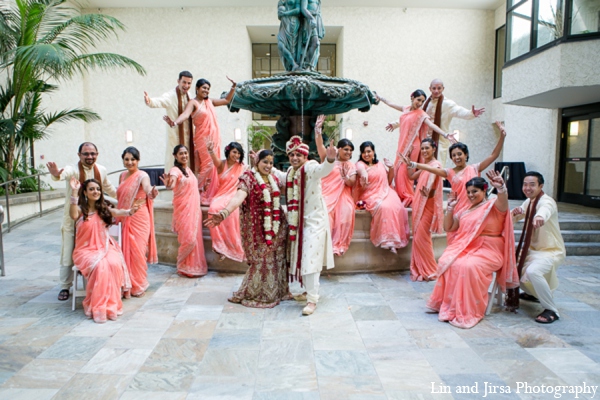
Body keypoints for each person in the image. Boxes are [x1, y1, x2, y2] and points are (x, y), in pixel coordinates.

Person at [427, 172, 519, 329]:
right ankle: (451, 305)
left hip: (490, 250)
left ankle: (468, 309)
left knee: (468, 267)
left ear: (484, 191)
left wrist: (501, 188)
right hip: (468, 247)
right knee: (448, 261)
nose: (470, 195)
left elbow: (503, 203)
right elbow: (449, 227)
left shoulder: (493, 205)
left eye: (474, 191)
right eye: (468, 192)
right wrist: (450, 209)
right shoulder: (465, 210)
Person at [205, 150, 291, 308]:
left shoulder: (274, 178)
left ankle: (278, 291)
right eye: (265, 161)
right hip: (258, 228)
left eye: (271, 163)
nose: (268, 165)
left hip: (278, 226)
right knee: (261, 260)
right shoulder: (248, 178)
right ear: (257, 162)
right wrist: (224, 212)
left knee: (276, 259)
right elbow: (239, 197)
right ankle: (257, 292)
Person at [403, 121, 507, 243]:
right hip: (457, 211)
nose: (457, 157)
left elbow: (494, 155)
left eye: (459, 154)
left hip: (474, 209)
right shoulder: (449, 172)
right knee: (454, 240)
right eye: (453, 155)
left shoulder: (475, 168)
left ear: (466, 155)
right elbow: (430, 168)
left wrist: (502, 137)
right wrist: (414, 164)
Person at [270, 136, 338, 315]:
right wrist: (267, 166)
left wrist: (330, 159)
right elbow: (282, 177)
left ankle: (312, 301)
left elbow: (323, 170)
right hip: (301, 222)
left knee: (310, 258)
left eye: (298, 155)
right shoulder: (293, 172)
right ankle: (309, 292)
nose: (294, 158)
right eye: (291, 155)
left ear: (305, 156)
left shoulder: (310, 167)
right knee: (304, 257)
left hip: (315, 222)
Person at [46, 142, 117, 302]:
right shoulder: (73, 170)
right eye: (86, 154)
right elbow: (63, 173)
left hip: (93, 219)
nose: (90, 157)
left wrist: (124, 197)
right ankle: (65, 285)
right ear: (79, 155)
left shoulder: (102, 170)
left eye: (93, 153)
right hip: (73, 218)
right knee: (68, 250)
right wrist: (57, 174)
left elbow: (108, 187)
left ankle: (97, 283)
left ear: (97, 154)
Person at [69, 178, 138, 323]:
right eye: (92, 189)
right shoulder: (81, 210)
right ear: (86, 193)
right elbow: (73, 215)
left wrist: (130, 211)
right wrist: (74, 192)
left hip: (105, 247)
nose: (96, 192)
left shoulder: (104, 210)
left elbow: (118, 211)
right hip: (85, 251)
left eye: (98, 189)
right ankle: (98, 307)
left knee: (113, 264)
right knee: (101, 266)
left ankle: (110, 305)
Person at [165, 76, 237, 206]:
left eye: (208, 89)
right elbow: (185, 115)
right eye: (204, 88)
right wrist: (175, 122)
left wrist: (233, 88)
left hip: (214, 139)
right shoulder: (193, 103)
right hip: (202, 139)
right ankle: (197, 192)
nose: (206, 91)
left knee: (213, 165)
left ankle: (209, 193)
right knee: (207, 166)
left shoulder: (210, 101)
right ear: (197, 88)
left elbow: (226, 100)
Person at [386, 79, 485, 168]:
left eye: (439, 88)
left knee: (437, 167)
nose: (436, 91)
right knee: (420, 168)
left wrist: (471, 113)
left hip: (440, 140)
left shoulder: (447, 104)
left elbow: (459, 111)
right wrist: (395, 124)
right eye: (434, 88)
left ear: (443, 89)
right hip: (423, 140)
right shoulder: (424, 102)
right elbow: (413, 117)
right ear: (430, 89)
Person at [378, 89, 453, 206]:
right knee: (398, 171)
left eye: (422, 101)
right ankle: (400, 195)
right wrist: (380, 98)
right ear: (412, 97)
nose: (419, 103)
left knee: (405, 171)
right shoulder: (406, 109)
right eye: (418, 100)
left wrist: (446, 134)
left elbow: (432, 125)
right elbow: (391, 103)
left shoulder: (421, 114)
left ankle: (408, 196)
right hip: (402, 145)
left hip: (413, 145)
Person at [511, 171, 565, 324]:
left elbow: (545, 210)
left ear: (541, 186)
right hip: (532, 250)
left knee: (533, 271)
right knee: (511, 266)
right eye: (525, 184)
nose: (527, 188)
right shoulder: (529, 202)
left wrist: (540, 217)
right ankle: (533, 294)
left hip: (551, 251)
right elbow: (516, 215)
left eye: (532, 185)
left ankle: (551, 310)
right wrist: (515, 213)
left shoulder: (546, 201)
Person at [117, 147, 159, 297]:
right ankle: (126, 283)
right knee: (125, 250)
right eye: (126, 159)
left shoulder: (142, 175)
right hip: (125, 215)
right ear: (123, 159)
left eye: (132, 159)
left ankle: (138, 283)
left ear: (138, 160)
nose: (129, 162)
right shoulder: (122, 176)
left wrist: (151, 193)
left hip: (139, 216)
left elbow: (147, 188)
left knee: (138, 251)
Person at [160, 145, 208, 278]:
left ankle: (194, 267)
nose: (184, 156)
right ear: (175, 156)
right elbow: (173, 183)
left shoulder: (188, 170)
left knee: (195, 238)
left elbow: (191, 188)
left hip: (193, 209)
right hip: (183, 209)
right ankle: (182, 264)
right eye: (181, 154)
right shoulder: (175, 170)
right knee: (189, 239)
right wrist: (169, 185)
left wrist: (204, 188)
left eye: (186, 153)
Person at [355, 141, 410, 254]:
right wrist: (364, 174)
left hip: (386, 191)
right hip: (370, 194)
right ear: (361, 154)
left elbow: (388, 181)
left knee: (397, 207)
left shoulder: (379, 164)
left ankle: (395, 241)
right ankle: (387, 241)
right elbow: (361, 170)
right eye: (364, 152)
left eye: (369, 151)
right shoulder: (360, 164)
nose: (366, 154)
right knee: (384, 207)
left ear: (374, 152)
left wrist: (391, 169)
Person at [314, 115, 357, 256]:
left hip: (343, 195)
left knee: (346, 212)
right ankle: (323, 247)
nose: (349, 153)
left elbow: (352, 182)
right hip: (326, 193)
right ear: (338, 149)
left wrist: (345, 177)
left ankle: (338, 246)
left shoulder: (350, 166)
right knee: (325, 216)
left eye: (351, 150)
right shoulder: (328, 158)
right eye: (346, 149)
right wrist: (318, 129)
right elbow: (319, 145)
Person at [403, 138, 443, 282]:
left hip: (427, 206)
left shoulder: (436, 165)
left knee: (422, 238)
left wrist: (429, 192)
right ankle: (420, 268)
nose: (424, 151)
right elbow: (411, 176)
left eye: (427, 148)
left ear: (434, 149)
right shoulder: (426, 165)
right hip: (419, 203)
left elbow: (433, 180)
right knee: (419, 238)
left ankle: (431, 269)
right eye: (423, 148)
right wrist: (408, 163)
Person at [144, 71, 194, 172]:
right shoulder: (171, 96)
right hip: (175, 137)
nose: (186, 85)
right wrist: (150, 101)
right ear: (178, 81)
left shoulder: (189, 95)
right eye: (184, 82)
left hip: (189, 137)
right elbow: (161, 100)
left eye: (189, 83)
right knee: (173, 162)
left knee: (189, 162)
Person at [206, 140, 246, 262]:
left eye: (239, 153)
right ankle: (219, 246)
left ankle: (232, 246)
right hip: (222, 194)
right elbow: (214, 159)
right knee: (213, 209)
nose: (237, 155)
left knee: (233, 211)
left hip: (234, 195)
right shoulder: (221, 165)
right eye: (234, 152)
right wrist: (211, 150)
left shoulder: (242, 167)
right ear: (228, 152)